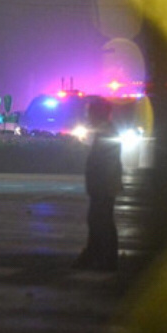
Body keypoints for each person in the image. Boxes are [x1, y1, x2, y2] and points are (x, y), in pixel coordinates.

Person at [73, 96, 123, 271]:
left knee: (101, 221)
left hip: (104, 186)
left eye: (90, 113)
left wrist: (100, 184)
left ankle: (104, 259)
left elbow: (104, 163)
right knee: (98, 220)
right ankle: (97, 256)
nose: (88, 116)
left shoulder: (107, 133)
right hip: (103, 185)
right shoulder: (106, 131)